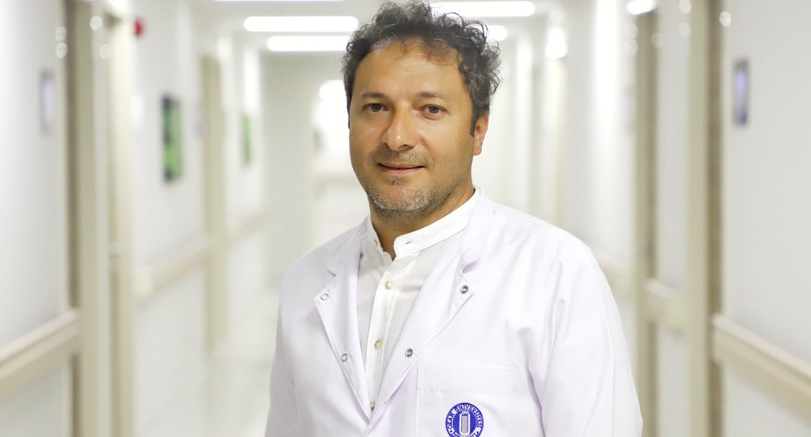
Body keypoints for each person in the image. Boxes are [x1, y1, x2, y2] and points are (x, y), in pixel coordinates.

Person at [265, 1, 642, 435]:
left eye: (430, 109)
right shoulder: (305, 283)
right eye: (376, 107)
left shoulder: (555, 273)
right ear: (349, 121)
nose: (397, 137)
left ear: (478, 130)